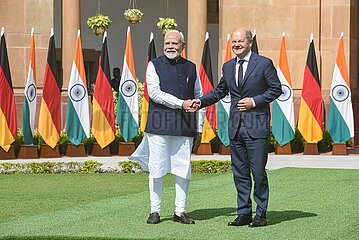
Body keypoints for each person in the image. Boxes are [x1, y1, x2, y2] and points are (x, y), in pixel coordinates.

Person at [191, 27, 282, 227]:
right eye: (233, 42)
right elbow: (220, 91)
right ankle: (244, 213)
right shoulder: (228, 66)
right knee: (239, 173)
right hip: (235, 128)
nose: (236, 45)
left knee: (258, 173)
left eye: (240, 41)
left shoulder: (264, 64)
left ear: (250, 43)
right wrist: (200, 102)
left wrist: (255, 101)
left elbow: (277, 89)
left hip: (256, 128)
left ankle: (261, 214)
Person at [129, 30, 205, 225]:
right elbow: (154, 93)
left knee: (183, 170)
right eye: (168, 43)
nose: (171, 46)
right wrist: (181, 103)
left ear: (183, 46)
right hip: (159, 127)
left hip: (185, 127)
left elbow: (199, 97)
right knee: (157, 169)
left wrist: (199, 128)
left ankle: (180, 211)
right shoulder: (154, 65)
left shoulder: (191, 67)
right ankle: (155, 210)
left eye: (175, 43)